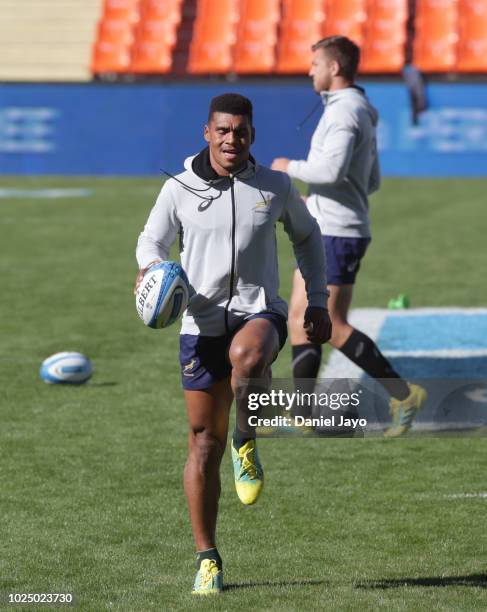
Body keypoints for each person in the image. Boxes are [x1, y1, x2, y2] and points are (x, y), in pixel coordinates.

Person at [135, 93, 332, 594]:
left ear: (252, 136)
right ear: (207, 132)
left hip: (258, 312)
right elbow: (150, 241)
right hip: (198, 327)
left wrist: (318, 300)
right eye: (223, 131)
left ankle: (247, 439)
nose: (231, 140)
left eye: (240, 132)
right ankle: (208, 559)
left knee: (249, 355)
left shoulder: (275, 186)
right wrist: (152, 269)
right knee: (203, 444)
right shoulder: (179, 188)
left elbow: (308, 238)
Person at [271, 36, 426, 437]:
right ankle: (301, 413)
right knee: (298, 319)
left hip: (337, 234)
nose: (310, 71)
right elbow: (369, 180)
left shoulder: (346, 112)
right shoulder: (357, 108)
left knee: (331, 325)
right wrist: (317, 199)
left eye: (314, 64)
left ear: (334, 68)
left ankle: (404, 395)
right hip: (328, 226)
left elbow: (332, 171)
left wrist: (288, 167)